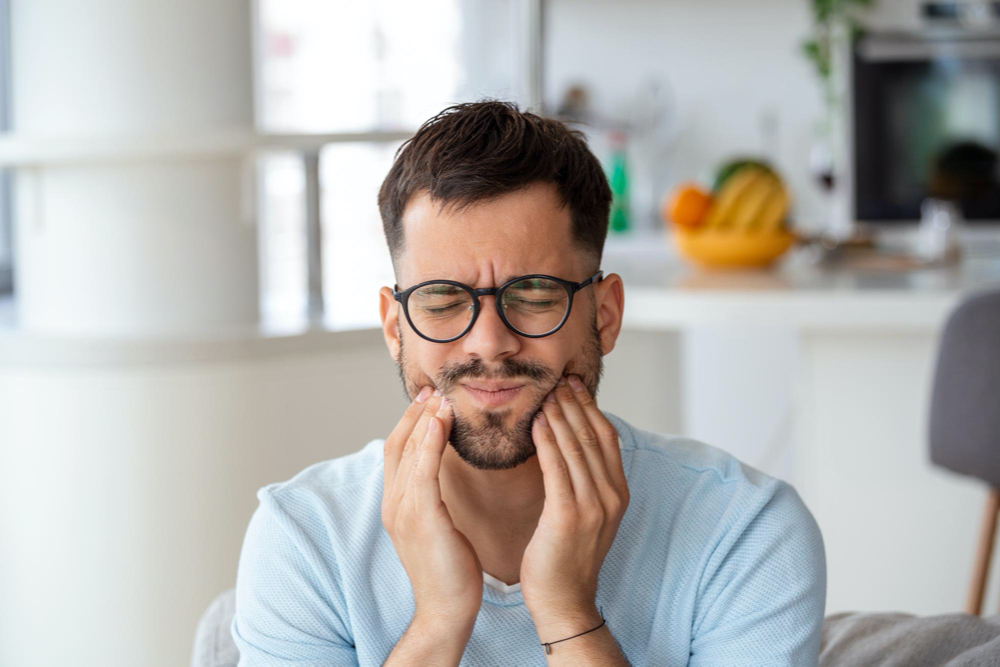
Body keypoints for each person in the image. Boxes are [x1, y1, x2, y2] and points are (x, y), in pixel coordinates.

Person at [231, 100, 827, 666]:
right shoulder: (304, 537)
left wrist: (566, 613)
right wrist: (439, 620)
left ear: (605, 315)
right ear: (395, 328)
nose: (488, 342)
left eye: (535, 295)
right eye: (442, 301)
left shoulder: (745, 529)